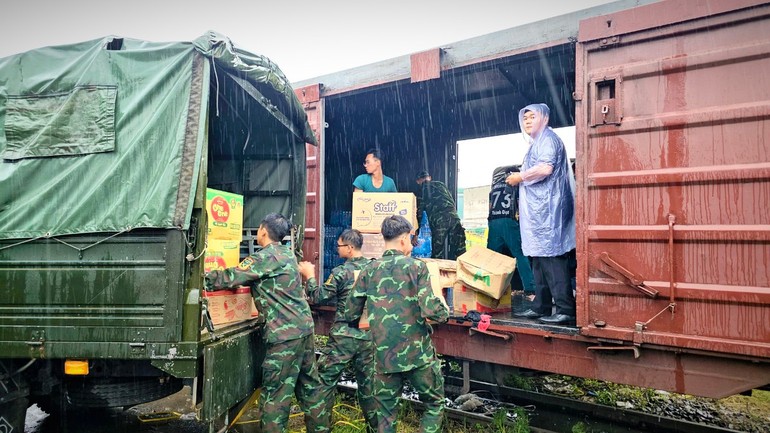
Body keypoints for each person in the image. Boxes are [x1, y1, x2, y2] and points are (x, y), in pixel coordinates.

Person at [204, 213, 328, 433]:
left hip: (284, 336)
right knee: (310, 388)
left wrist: (202, 278)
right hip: (304, 329)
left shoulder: (264, 257)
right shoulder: (287, 255)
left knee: (275, 397)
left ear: (262, 230)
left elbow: (232, 276)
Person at [344, 215, 449, 433]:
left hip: (383, 356)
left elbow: (350, 312)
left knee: (385, 414)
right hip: (417, 354)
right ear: (403, 239)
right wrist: (445, 312)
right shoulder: (417, 268)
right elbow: (431, 310)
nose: (412, 243)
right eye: (411, 238)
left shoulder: (369, 271)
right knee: (434, 404)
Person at [297, 229, 377, 432]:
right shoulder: (374, 268)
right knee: (369, 388)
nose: (337, 248)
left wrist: (309, 276)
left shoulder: (341, 272)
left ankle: (320, 429)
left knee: (324, 383)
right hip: (369, 336)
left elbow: (317, 297)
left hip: (343, 337)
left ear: (350, 248)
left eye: (340, 245)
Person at [508, 103, 576, 325]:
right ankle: (542, 306)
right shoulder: (536, 143)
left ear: (544, 119)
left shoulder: (548, 140)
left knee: (553, 261)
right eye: (524, 117)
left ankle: (565, 309)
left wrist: (520, 177)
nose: (527, 121)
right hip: (540, 214)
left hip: (550, 213)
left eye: (532, 116)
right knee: (538, 260)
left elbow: (545, 169)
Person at [486, 165, 536, 298]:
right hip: (508, 221)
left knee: (491, 257)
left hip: (493, 222)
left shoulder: (493, 188)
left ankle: (489, 287)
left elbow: (490, 207)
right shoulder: (514, 184)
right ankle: (530, 288)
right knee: (520, 254)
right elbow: (521, 203)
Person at [414, 170, 466, 260]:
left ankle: (437, 272)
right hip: (454, 217)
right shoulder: (441, 184)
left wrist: (415, 233)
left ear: (418, 181)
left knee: (437, 253)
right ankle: (463, 271)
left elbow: (419, 213)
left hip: (439, 221)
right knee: (460, 250)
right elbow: (451, 200)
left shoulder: (422, 190)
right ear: (429, 178)